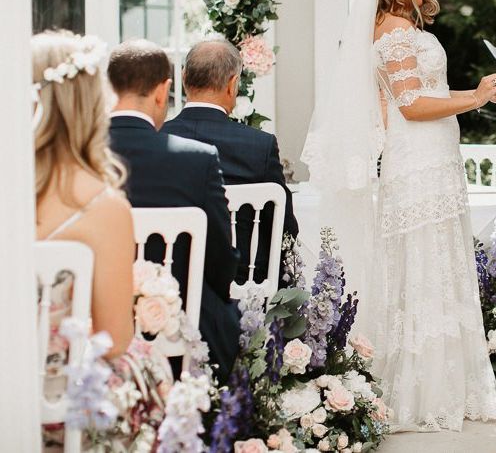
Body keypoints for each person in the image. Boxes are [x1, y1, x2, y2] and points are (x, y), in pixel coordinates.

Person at [303, 0, 496, 432]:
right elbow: (413, 107)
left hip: (433, 158)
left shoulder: (396, 28)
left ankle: (447, 384)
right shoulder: (392, 31)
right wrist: (476, 98)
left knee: (438, 261)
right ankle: (424, 393)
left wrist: (482, 93)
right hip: (416, 162)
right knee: (423, 263)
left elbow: (422, 95)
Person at [32, 31, 172, 448]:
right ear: (88, 106)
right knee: (149, 369)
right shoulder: (102, 205)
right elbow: (114, 338)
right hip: (63, 401)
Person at [107, 39, 240, 381]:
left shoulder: (80, 156)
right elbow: (221, 261)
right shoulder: (197, 158)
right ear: (163, 90)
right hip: (182, 323)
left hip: (100, 322)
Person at [163, 38, 298, 286]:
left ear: (184, 79)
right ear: (233, 84)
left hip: (171, 282)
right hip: (242, 284)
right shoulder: (260, 146)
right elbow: (285, 227)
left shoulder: (158, 138)